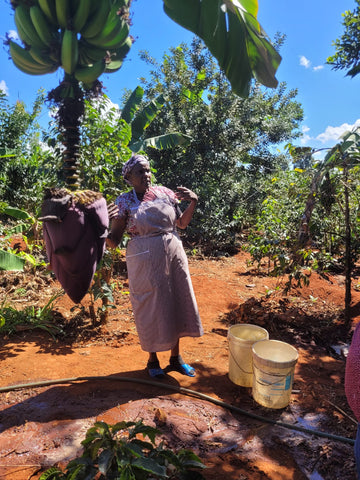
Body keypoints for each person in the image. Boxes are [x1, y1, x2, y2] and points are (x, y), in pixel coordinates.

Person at [107, 154, 204, 379]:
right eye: (141, 172)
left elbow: (181, 224)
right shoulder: (123, 202)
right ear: (129, 177)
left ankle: (176, 358)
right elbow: (113, 242)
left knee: (176, 300)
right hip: (143, 260)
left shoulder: (167, 194)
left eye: (148, 170)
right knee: (149, 305)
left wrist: (193, 202)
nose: (147, 175)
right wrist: (101, 224)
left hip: (173, 254)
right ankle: (152, 360)